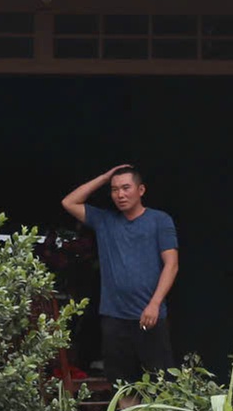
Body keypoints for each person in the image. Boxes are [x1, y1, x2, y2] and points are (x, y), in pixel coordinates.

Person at [60, 163, 179, 382]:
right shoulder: (105, 221)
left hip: (149, 315)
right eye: (115, 190)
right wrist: (105, 177)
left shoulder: (159, 220)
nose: (120, 194)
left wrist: (154, 303)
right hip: (115, 317)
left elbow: (171, 264)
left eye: (126, 188)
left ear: (140, 190)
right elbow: (69, 202)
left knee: (161, 384)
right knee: (123, 384)